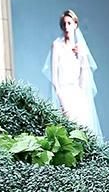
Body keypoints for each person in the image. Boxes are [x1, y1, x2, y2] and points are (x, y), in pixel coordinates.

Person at [43, 9, 102, 138]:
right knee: (68, 131)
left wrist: (81, 57)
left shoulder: (80, 48)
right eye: (64, 24)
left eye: (69, 23)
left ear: (75, 25)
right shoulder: (57, 46)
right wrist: (61, 100)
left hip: (78, 94)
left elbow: (84, 79)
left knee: (82, 131)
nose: (66, 27)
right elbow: (54, 78)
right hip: (64, 94)